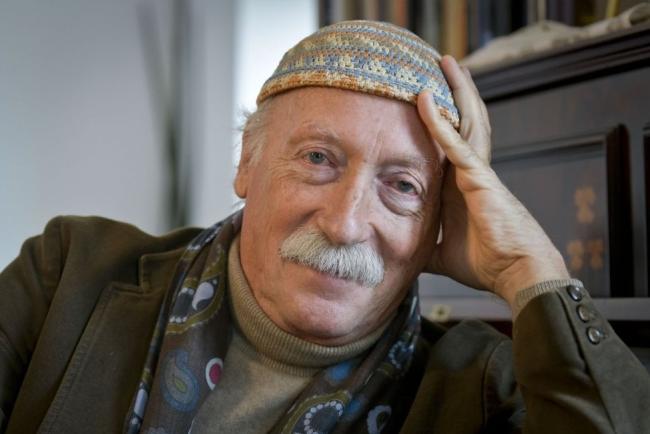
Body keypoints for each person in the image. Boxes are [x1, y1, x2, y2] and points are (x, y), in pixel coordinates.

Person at [0, 20, 648, 434]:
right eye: (317, 159)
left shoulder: (486, 390)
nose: (344, 224)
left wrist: (528, 269)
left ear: (437, 223)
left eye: (402, 187)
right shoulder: (67, 274)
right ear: (247, 164)